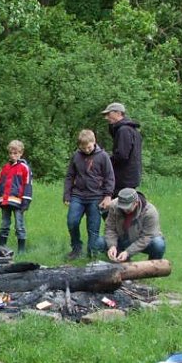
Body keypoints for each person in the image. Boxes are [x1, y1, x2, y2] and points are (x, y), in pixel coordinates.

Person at [63, 129, 115, 260]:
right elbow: (70, 176)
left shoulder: (103, 156)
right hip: (78, 195)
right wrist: (67, 195)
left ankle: (92, 253)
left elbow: (110, 177)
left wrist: (108, 196)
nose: (86, 150)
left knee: (93, 228)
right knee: (72, 222)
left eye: (89, 147)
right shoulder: (76, 156)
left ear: (94, 142)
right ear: (79, 146)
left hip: (96, 197)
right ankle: (76, 248)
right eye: (83, 147)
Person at [95, 188, 166, 261]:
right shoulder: (114, 205)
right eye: (122, 208)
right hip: (122, 238)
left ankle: (153, 266)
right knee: (100, 242)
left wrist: (128, 252)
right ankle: (118, 260)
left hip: (141, 240)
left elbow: (147, 237)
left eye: (128, 208)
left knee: (158, 244)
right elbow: (110, 228)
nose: (125, 210)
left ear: (136, 203)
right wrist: (112, 246)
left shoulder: (150, 212)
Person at [0, 139, 32, 254]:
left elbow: (28, 185)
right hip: (5, 201)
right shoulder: (5, 167)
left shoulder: (24, 168)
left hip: (18, 202)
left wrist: (26, 201)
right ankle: (1, 248)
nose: (12, 155)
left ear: (21, 153)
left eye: (15, 153)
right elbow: (0, 184)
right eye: (10, 153)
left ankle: (21, 250)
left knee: (19, 225)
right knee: (4, 225)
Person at [102, 102, 142, 195]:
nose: (106, 118)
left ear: (118, 113)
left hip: (123, 179)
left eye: (109, 114)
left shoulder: (124, 130)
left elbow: (122, 155)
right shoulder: (133, 130)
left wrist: (106, 160)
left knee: (116, 206)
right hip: (130, 177)